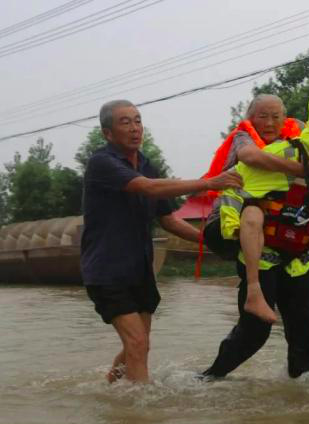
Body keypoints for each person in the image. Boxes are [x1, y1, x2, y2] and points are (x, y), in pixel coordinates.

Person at [201, 89, 309, 379]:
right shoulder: (272, 152)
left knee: (305, 330)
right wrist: (233, 227)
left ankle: (303, 401)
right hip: (260, 251)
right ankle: (210, 378)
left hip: (298, 255)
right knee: (255, 332)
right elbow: (239, 177)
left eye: (276, 116)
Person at [81, 99, 242, 384]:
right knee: (138, 343)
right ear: (108, 133)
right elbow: (146, 188)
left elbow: (169, 220)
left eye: (138, 120)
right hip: (108, 270)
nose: (135, 128)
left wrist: (213, 243)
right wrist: (208, 183)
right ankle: (141, 414)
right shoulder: (102, 163)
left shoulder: (146, 164)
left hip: (141, 269)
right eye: (125, 122)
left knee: (140, 343)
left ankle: (112, 390)